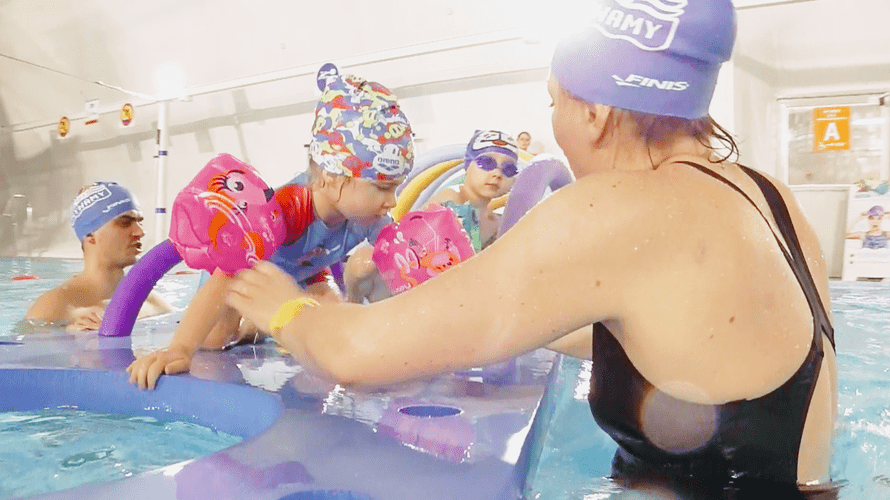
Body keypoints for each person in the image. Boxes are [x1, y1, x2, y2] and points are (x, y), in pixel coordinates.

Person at [220, 0, 839, 495]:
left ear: (596, 112)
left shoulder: (617, 209)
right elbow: (684, 348)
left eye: (553, 100)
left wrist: (283, 306)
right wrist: (460, 305)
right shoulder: (771, 198)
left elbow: (353, 354)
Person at [127, 67, 415, 382]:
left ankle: (263, 324)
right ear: (332, 177)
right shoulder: (288, 208)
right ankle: (253, 322)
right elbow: (226, 278)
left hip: (306, 273)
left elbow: (403, 264)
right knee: (215, 340)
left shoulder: (370, 217)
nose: (392, 200)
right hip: (245, 272)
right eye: (383, 187)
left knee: (333, 323)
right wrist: (180, 348)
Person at [342, 129, 519, 303]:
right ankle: (352, 306)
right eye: (487, 163)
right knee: (362, 263)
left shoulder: (496, 223)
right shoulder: (452, 198)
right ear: (467, 164)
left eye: (508, 169)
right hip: (398, 281)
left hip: (445, 292)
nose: (497, 174)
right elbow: (408, 243)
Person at [25, 182, 171, 331]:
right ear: (90, 235)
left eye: (139, 222)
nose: (139, 232)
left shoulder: (150, 300)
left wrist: (120, 315)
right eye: (125, 223)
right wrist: (69, 336)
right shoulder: (53, 307)